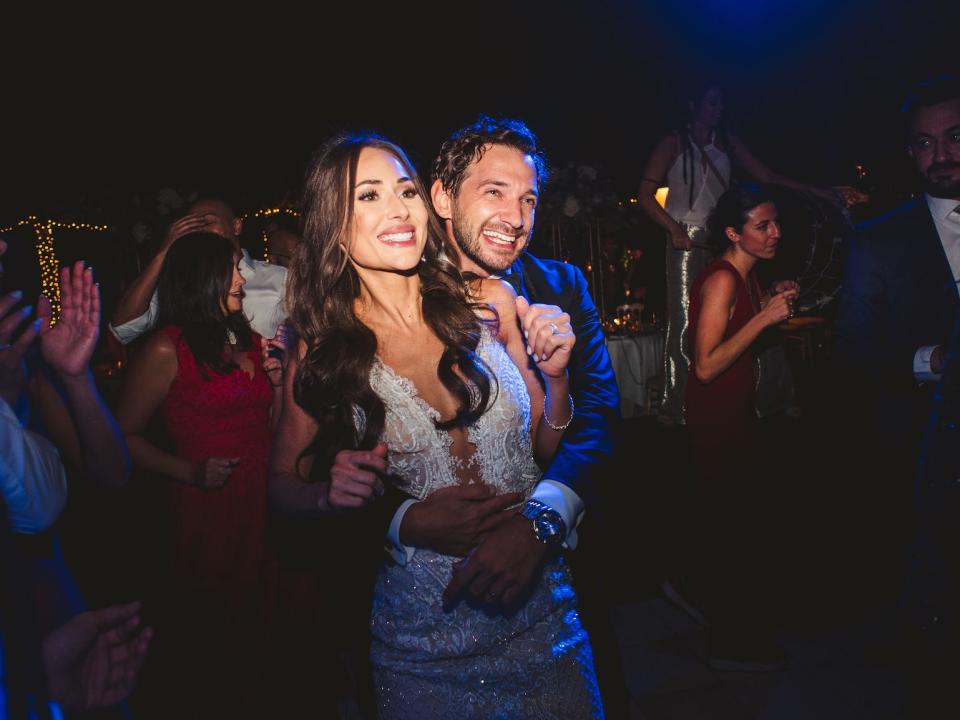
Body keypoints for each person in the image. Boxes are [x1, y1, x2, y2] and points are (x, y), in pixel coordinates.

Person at [269, 132, 603, 719]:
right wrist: (330, 495)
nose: (398, 210)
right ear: (333, 224)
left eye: (405, 191)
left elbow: (542, 449)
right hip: (424, 647)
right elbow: (281, 489)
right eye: (368, 196)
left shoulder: (489, 302)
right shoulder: (320, 347)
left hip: (545, 619)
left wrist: (555, 381)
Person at [115, 232, 285, 718]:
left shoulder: (246, 337)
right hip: (209, 508)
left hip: (264, 503)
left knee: (264, 633)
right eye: (232, 268)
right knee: (212, 639)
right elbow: (121, 437)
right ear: (201, 277)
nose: (242, 277)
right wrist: (188, 470)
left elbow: (267, 429)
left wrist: (276, 381)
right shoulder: (166, 350)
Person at [639, 80, 852, 426]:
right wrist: (674, 230)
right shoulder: (673, 142)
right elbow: (645, 195)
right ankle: (680, 407)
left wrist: (824, 192)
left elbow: (767, 175)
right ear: (693, 105)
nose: (718, 109)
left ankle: (769, 398)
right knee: (685, 321)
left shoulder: (727, 142)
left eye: (721, 103)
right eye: (711, 103)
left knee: (751, 313)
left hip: (730, 240)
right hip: (686, 241)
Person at [833, 74, 960, 603]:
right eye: (926, 143)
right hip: (930, 459)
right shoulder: (879, 240)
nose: (942, 154)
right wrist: (930, 360)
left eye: (956, 136)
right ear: (911, 152)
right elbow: (855, 351)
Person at [684, 184, 799, 671]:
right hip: (717, 418)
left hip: (738, 413)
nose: (776, 233)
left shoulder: (748, 276)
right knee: (734, 527)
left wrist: (770, 298)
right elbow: (705, 365)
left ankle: (735, 628)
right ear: (734, 232)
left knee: (742, 523)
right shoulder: (724, 279)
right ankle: (731, 638)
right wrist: (766, 319)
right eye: (763, 225)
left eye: (776, 223)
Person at [110, 197, 288, 344]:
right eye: (191, 225)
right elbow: (123, 329)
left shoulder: (279, 278)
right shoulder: (181, 283)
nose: (199, 230)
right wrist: (164, 251)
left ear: (236, 226)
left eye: (207, 222)